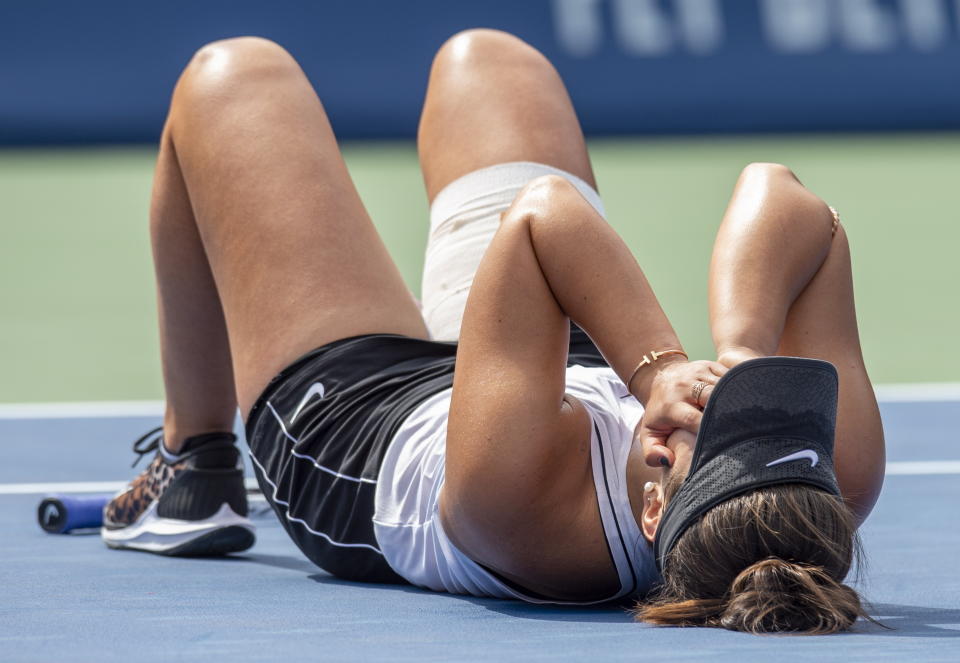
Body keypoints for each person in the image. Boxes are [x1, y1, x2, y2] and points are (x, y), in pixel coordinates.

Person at [101, 29, 885, 634]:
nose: (737, 396)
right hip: (549, 363)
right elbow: (789, 201)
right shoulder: (822, 480)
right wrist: (747, 346)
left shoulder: (521, 513)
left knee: (231, 75)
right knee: (492, 60)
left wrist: (660, 372)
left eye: (716, 422)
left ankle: (191, 466)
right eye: (761, 401)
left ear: (652, 510)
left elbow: (545, 216)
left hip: (362, 416)